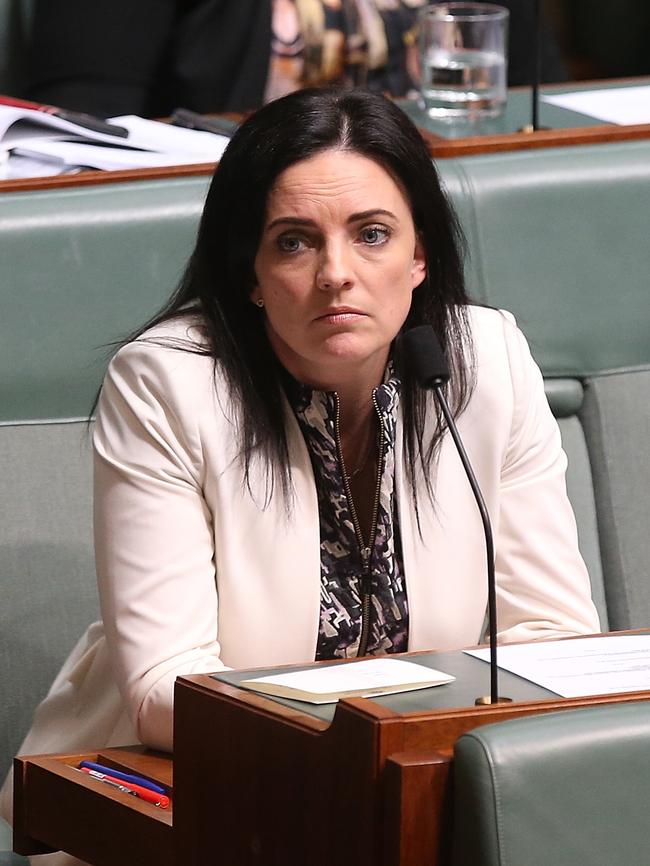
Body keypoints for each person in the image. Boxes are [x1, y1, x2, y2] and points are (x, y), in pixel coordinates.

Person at [1, 86, 599, 863]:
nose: (336, 274)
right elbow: (163, 692)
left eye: (373, 234)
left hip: (420, 799)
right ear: (249, 272)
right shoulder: (168, 385)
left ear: (420, 256)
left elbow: (556, 644)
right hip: (177, 801)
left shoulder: (485, 363)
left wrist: (405, 751)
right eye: (293, 242)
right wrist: (390, 734)